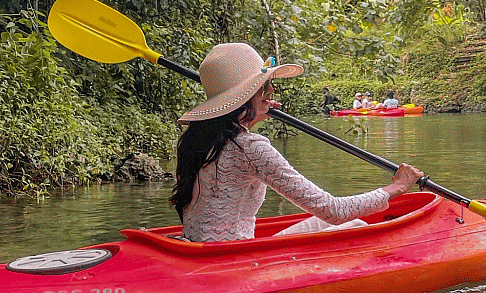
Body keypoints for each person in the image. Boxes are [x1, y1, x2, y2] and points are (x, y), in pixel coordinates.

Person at [170, 43, 423, 242]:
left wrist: (252, 115)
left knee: (345, 224)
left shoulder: (197, 140)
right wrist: (397, 188)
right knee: (354, 224)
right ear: (246, 97)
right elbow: (333, 210)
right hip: (233, 259)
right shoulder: (250, 147)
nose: (270, 92)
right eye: (264, 87)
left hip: (200, 247)